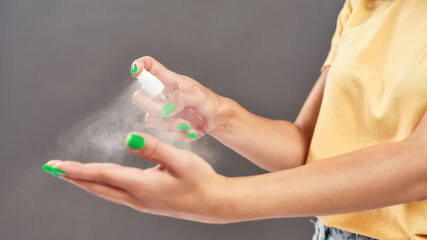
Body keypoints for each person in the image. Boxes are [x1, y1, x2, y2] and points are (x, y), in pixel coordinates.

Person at [43, 0, 427, 239]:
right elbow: (310, 150)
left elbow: (420, 164)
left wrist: (224, 200)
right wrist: (218, 115)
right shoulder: (367, 5)